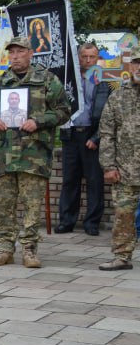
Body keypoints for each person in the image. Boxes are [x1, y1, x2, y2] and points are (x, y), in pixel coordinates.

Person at [0, 36, 71, 268]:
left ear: (31, 53)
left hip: (34, 156)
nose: (15, 56)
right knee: (4, 205)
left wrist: (38, 121)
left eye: (20, 52)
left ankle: (29, 250)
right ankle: (4, 248)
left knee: (32, 205)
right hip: (4, 155)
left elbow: (64, 110)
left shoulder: (47, 80)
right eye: (12, 53)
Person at [57, 43, 110, 235]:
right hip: (70, 134)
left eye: (92, 57)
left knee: (94, 181)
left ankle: (92, 223)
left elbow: (107, 114)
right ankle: (66, 221)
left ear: (97, 59)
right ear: (78, 58)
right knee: (70, 179)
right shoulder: (67, 79)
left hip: (91, 134)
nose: (88, 61)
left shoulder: (103, 82)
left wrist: (96, 137)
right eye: (84, 57)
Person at [97, 51, 140, 270]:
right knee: (123, 215)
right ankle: (122, 256)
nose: (139, 67)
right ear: (130, 66)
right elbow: (106, 133)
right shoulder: (118, 96)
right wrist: (109, 166)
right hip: (125, 170)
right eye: (136, 63)